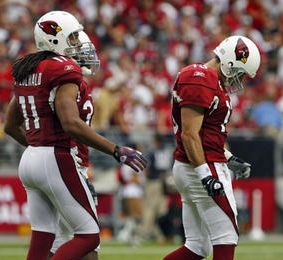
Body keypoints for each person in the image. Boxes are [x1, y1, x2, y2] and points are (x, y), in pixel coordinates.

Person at [4, 10, 147, 260]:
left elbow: (10, 125)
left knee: (42, 238)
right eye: (72, 38)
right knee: (88, 237)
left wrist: (38, 148)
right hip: (56, 157)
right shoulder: (63, 68)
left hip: (31, 159)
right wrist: (115, 150)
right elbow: (70, 123)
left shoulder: (29, 67)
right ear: (54, 39)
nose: (78, 44)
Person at [163, 35, 260, 260]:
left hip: (195, 164)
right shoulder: (200, 78)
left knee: (197, 246)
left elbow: (206, 134)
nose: (238, 79)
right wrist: (205, 175)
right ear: (228, 60)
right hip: (199, 166)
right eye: (239, 72)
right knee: (227, 237)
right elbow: (189, 134)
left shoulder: (208, 79)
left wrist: (230, 158)